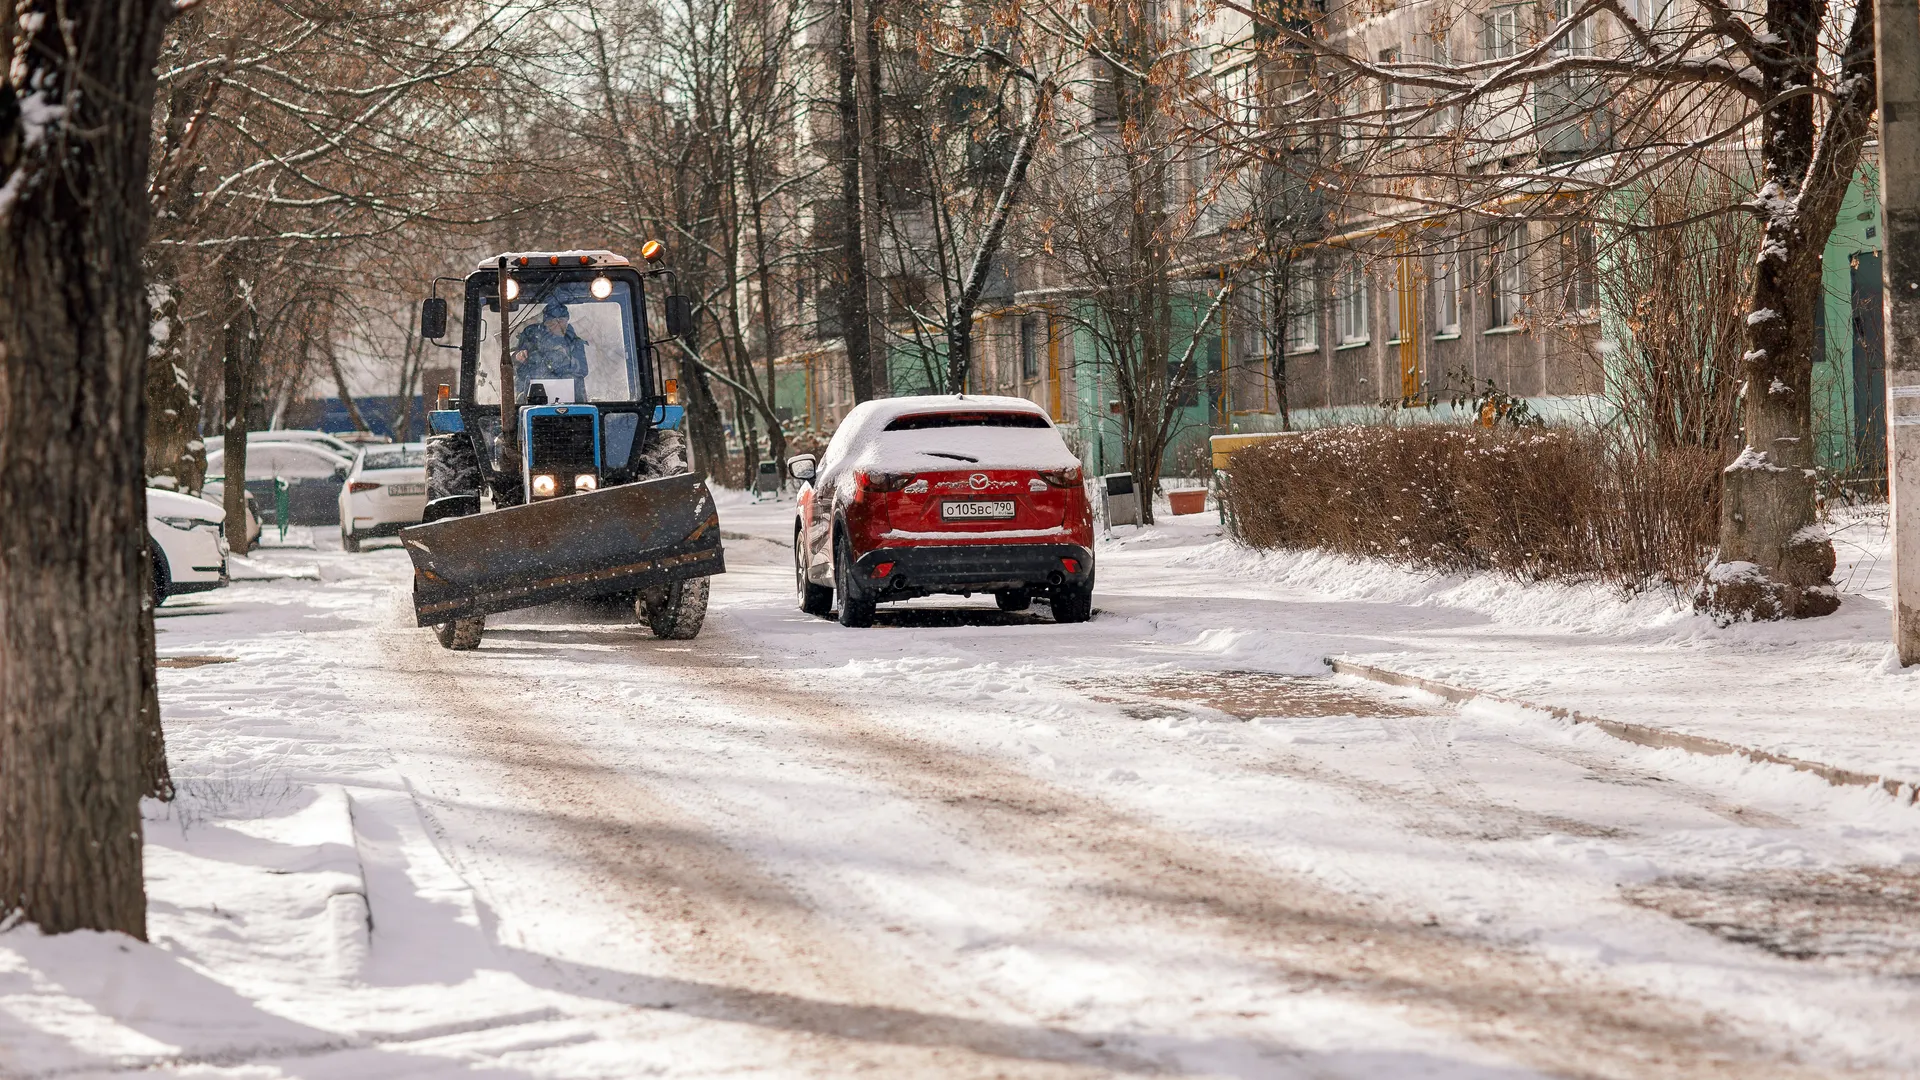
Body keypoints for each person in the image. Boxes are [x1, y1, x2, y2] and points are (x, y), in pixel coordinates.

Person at [513, 301, 589, 401]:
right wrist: (517, 357)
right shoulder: (530, 338)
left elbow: (583, 371)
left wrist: (567, 359)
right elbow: (518, 370)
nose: (558, 326)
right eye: (552, 323)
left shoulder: (574, 342)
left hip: (570, 400)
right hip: (532, 399)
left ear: (567, 321)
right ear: (546, 324)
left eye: (561, 321)